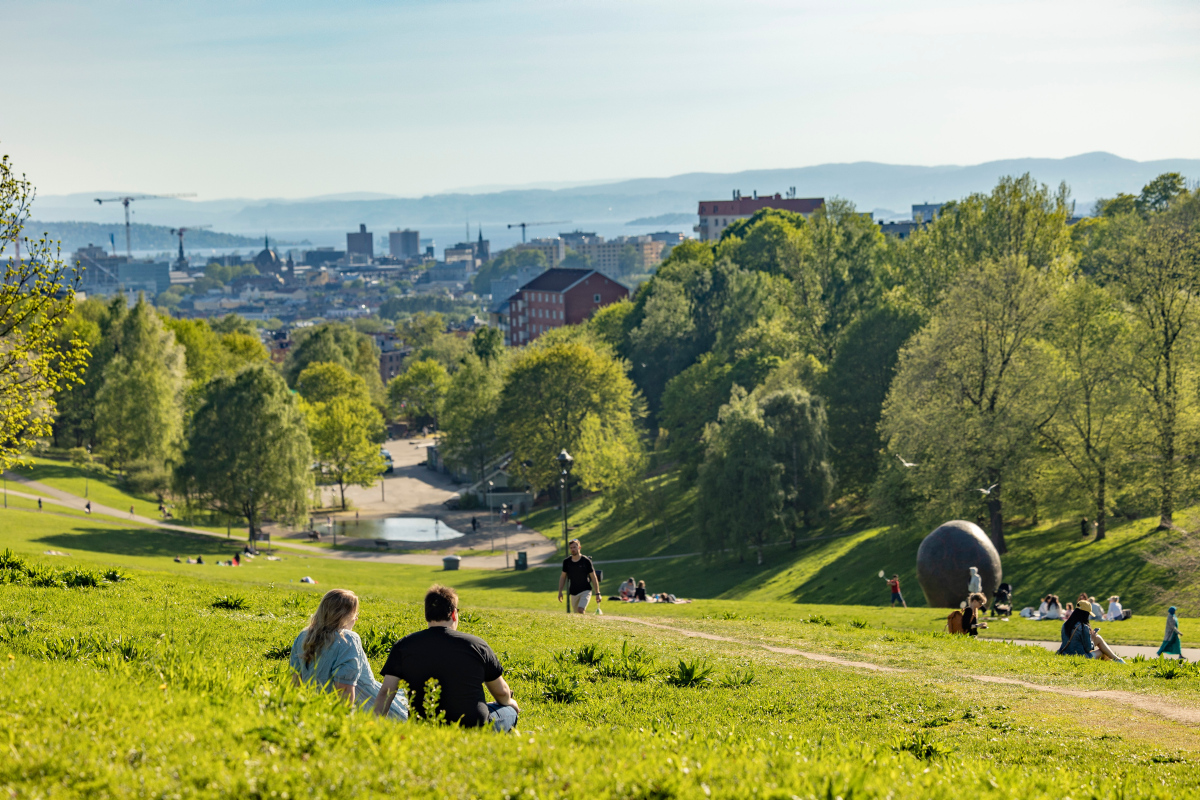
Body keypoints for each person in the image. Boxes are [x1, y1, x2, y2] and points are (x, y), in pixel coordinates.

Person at [373, 584, 517, 731]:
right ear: (454, 614)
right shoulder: (477, 645)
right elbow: (501, 692)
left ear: (427, 615)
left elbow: (386, 692)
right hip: (475, 728)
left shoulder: (404, 646)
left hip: (423, 727)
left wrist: (375, 730)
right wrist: (510, 702)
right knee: (509, 710)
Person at [290, 589, 408, 719]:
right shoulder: (348, 639)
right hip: (364, 704)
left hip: (315, 707)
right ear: (345, 616)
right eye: (355, 614)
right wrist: (345, 721)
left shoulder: (303, 636)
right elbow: (345, 689)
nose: (356, 619)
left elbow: (295, 682)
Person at [1059, 601, 1125, 662]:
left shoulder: (1065, 624)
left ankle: (1117, 660)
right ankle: (1118, 660)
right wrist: (1092, 638)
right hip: (1080, 656)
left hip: (1065, 653)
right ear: (1085, 614)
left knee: (1098, 638)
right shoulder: (1083, 627)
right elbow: (1088, 649)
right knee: (1102, 652)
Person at [557, 539, 601, 614]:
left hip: (585, 590)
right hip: (573, 592)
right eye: (571, 548)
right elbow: (563, 577)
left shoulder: (586, 561)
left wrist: (597, 593)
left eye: (574, 547)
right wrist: (560, 591)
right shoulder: (566, 562)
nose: (572, 549)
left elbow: (593, 577)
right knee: (577, 614)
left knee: (580, 610)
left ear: (579, 547)